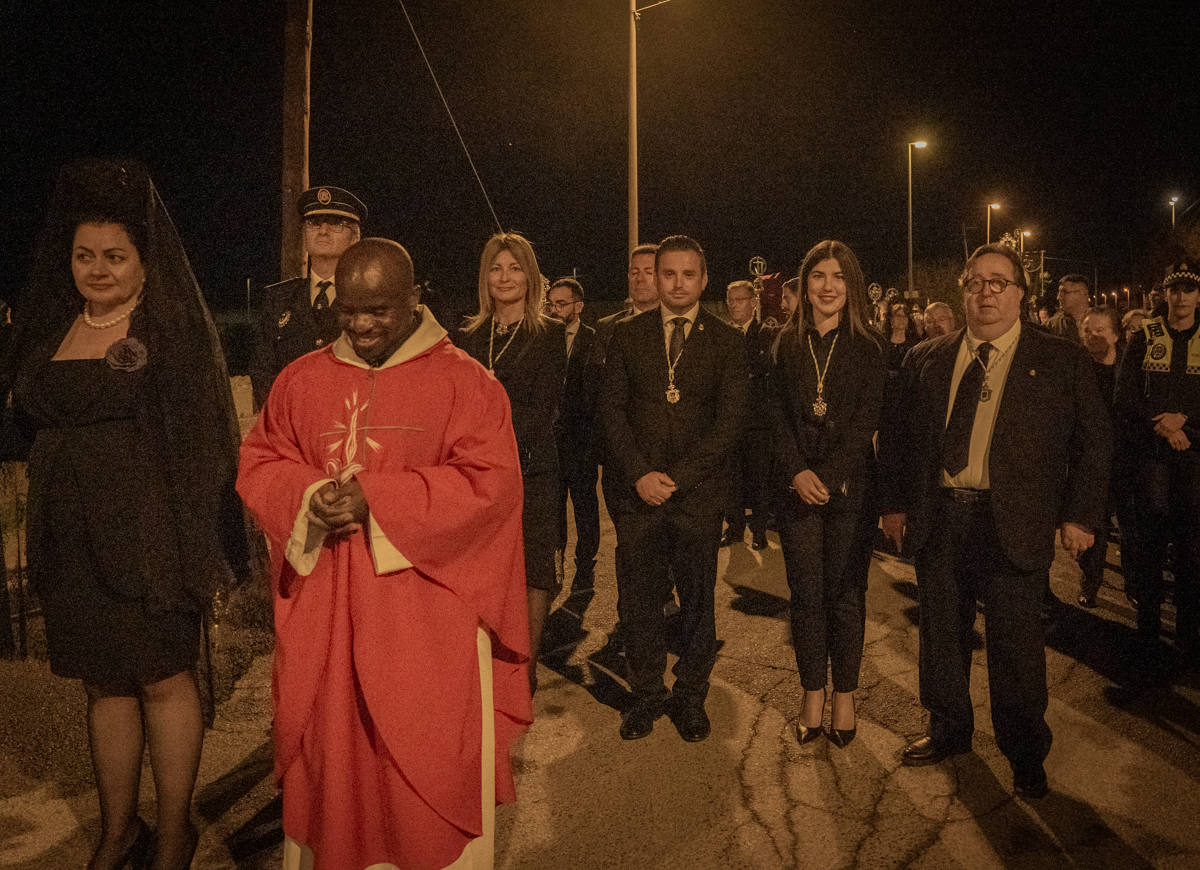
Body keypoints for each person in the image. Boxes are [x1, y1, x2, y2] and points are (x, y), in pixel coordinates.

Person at [237, 237, 532, 869]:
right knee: (334, 759)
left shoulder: (467, 384)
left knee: (424, 762)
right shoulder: (301, 380)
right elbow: (262, 460)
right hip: (329, 616)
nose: (363, 325)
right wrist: (311, 494)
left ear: (416, 299)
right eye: (348, 310)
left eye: (380, 310)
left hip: (425, 621)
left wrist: (378, 499)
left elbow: (493, 486)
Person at [9, 157, 247, 869]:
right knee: (102, 682)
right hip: (70, 539)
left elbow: (205, 441)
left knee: (163, 680)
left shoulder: (167, 333)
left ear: (146, 262)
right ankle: (120, 830)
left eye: (115, 256)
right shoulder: (50, 329)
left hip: (150, 539)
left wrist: (198, 546)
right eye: (84, 256)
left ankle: (172, 831)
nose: (98, 269)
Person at [879, 243, 1110, 799]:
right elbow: (899, 442)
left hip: (1014, 523)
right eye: (976, 282)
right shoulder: (927, 357)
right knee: (941, 637)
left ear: (1021, 295)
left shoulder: (1059, 359)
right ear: (963, 291)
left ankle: (1025, 751)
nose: (986, 293)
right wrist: (892, 505)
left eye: (999, 282)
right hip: (940, 519)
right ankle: (949, 728)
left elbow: (1095, 442)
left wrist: (1079, 515)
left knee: (1015, 650)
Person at [600, 235, 748, 742]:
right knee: (639, 602)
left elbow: (730, 423)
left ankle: (690, 696)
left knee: (698, 604)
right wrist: (639, 473)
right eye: (668, 274)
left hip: (697, 498)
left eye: (689, 274)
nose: (678, 283)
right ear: (655, 277)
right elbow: (612, 414)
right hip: (637, 496)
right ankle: (646, 696)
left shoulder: (727, 341)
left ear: (703, 280)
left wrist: (680, 478)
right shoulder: (627, 336)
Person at [769, 241, 884, 747]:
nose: (828, 286)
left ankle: (845, 695)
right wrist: (797, 471)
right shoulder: (782, 345)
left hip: (850, 489)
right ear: (804, 283)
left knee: (845, 596)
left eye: (838, 276)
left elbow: (866, 422)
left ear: (851, 285)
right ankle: (813, 691)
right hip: (796, 488)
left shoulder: (871, 346)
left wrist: (832, 473)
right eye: (818, 275)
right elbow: (771, 416)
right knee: (806, 597)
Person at [453, 232, 565, 688]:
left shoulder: (550, 334)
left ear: (530, 276)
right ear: (485, 277)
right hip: (475, 473)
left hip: (532, 467)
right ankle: (483, 659)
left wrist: (494, 434)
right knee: (482, 565)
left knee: (534, 567)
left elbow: (544, 408)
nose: (505, 277)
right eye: (497, 269)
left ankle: (525, 666)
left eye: (515, 268)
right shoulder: (467, 335)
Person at [1115, 260, 1200, 665]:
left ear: (1198, 296)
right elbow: (1126, 395)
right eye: (1174, 289)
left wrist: (1186, 423)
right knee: (1149, 545)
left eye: (1189, 289)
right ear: (1164, 294)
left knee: (1191, 549)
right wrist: (1164, 426)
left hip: (1193, 456)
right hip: (1152, 456)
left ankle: (1187, 634)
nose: (1181, 297)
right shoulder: (1146, 335)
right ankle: (1147, 631)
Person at [248, 185, 367, 408]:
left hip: (350, 428)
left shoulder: (368, 300)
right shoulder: (278, 299)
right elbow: (262, 371)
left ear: (355, 237)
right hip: (290, 429)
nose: (322, 230)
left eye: (334, 223)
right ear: (304, 233)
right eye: (314, 222)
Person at [547, 276, 601, 593]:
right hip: (549, 445)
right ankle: (556, 564)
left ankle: (586, 565)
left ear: (578, 306)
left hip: (580, 444)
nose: (554, 309)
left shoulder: (593, 339)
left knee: (584, 508)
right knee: (553, 511)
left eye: (561, 303)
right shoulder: (541, 338)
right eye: (550, 303)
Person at [1076, 306, 1122, 607]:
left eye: (1100, 330)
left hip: (1123, 457)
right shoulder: (1077, 367)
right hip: (1089, 459)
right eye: (1088, 330)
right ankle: (1090, 583)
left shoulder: (1129, 368)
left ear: (1115, 335)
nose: (1093, 336)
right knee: (1097, 521)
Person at [722, 279, 772, 550]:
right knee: (732, 478)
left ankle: (760, 530)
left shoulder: (765, 334)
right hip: (731, 422)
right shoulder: (724, 334)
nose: (733, 305)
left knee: (759, 478)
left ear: (753, 303)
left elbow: (764, 372)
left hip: (757, 423)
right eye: (730, 300)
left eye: (739, 299)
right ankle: (735, 526)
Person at [1046, 273, 1090, 343]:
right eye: (1059, 293)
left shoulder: (1102, 320)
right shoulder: (1053, 325)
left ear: (1083, 293)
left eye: (1064, 292)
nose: (1058, 297)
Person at [882, 298, 919, 372]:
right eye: (898, 316)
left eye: (904, 316)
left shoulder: (915, 342)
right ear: (891, 319)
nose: (902, 319)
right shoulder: (882, 341)